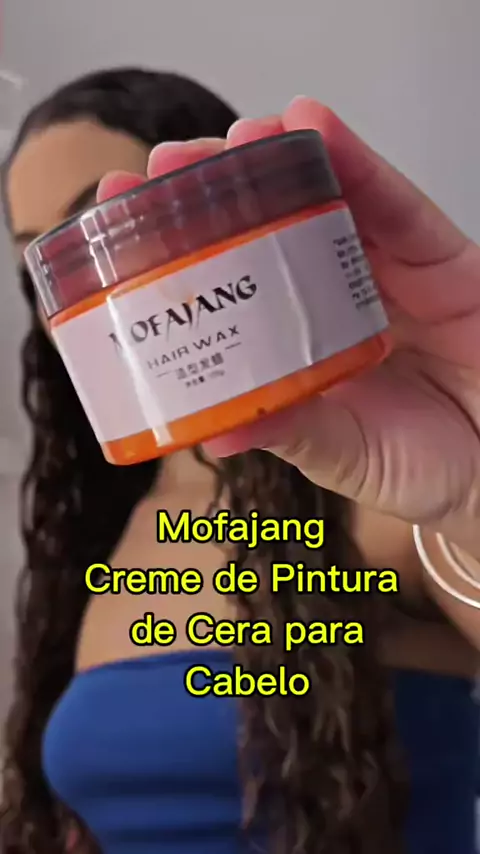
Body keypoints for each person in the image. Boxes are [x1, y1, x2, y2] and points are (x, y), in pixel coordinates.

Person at [0, 68, 478, 854]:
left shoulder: (395, 497)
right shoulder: (108, 529)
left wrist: (473, 490)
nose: (94, 287)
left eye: (102, 225)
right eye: (41, 262)